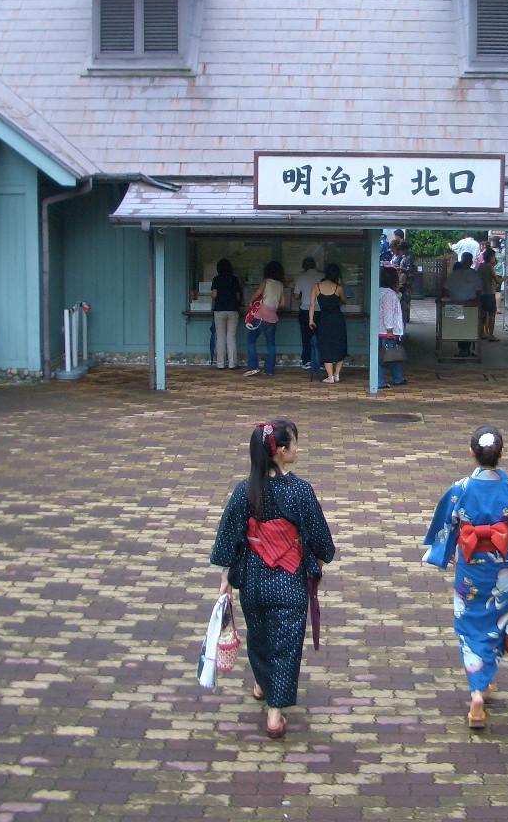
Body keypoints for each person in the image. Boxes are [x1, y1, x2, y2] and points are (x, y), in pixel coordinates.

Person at [211, 419, 336, 739]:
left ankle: (261, 683)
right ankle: (275, 714)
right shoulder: (299, 491)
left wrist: (226, 579)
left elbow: (228, 537)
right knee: (286, 645)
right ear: (281, 451)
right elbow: (321, 539)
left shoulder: (245, 489)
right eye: (294, 443)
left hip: (253, 578)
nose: (297, 448)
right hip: (289, 578)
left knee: (260, 636)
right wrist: (318, 560)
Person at [423, 425, 508, 730]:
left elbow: (446, 524)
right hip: (503, 570)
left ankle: (477, 691)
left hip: (471, 568)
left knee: (470, 625)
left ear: (471, 452)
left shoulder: (460, 488)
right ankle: (483, 684)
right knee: (495, 625)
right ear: (501, 453)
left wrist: (443, 553)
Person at [309, 263, 348, 384]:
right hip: (338, 319)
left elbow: (312, 305)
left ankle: (330, 376)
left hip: (324, 319)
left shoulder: (317, 287)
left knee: (325, 345)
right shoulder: (338, 288)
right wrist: (340, 284)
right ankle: (336, 375)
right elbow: (344, 300)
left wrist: (311, 320)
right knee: (340, 345)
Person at [244, 260, 285, 377]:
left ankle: (253, 367)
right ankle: (269, 370)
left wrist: (251, 301)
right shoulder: (281, 285)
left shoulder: (266, 282)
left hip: (261, 315)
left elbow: (257, 292)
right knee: (271, 344)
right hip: (273, 317)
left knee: (251, 340)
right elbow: (282, 303)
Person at [442, 253, 483, 357]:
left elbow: (479, 290)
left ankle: (466, 349)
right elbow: (446, 287)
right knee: (458, 326)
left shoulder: (474, 274)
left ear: (470, 262)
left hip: (470, 305)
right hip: (456, 305)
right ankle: (462, 348)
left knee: (468, 327)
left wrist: (477, 302)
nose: (465, 262)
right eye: (464, 260)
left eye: (467, 260)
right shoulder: (455, 274)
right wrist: (446, 299)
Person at [292, 257, 325, 372]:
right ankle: (321, 362)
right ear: (315, 265)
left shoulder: (301, 277)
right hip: (320, 310)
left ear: (304, 266)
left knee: (306, 337)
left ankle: (307, 361)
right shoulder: (322, 276)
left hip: (305, 310)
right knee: (320, 337)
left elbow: (296, 295)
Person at [210, 258, 243, 370]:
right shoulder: (234, 279)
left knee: (220, 337)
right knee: (231, 336)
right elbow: (238, 297)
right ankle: (232, 364)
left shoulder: (216, 279)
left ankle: (220, 364)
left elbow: (214, 295)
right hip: (233, 310)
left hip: (219, 310)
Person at [377, 266, 406, 389]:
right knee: (386, 357)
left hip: (379, 329)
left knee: (392, 355)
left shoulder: (379, 291)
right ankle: (379, 382)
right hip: (387, 331)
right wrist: (390, 330)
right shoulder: (389, 294)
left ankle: (398, 378)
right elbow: (388, 312)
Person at [478, 248, 508, 341]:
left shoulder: (481, 266)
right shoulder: (489, 267)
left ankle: (482, 333)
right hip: (489, 293)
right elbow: (497, 280)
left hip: (481, 294)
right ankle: (491, 335)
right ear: (490, 257)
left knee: (482, 314)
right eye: (494, 256)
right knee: (492, 314)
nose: (494, 258)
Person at [389, 238, 415, 324]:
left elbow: (409, 270)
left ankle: (404, 323)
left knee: (404, 304)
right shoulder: (404, 257)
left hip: (406, 284)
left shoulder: (408, 258)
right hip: (402, 283)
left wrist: (401, 268)